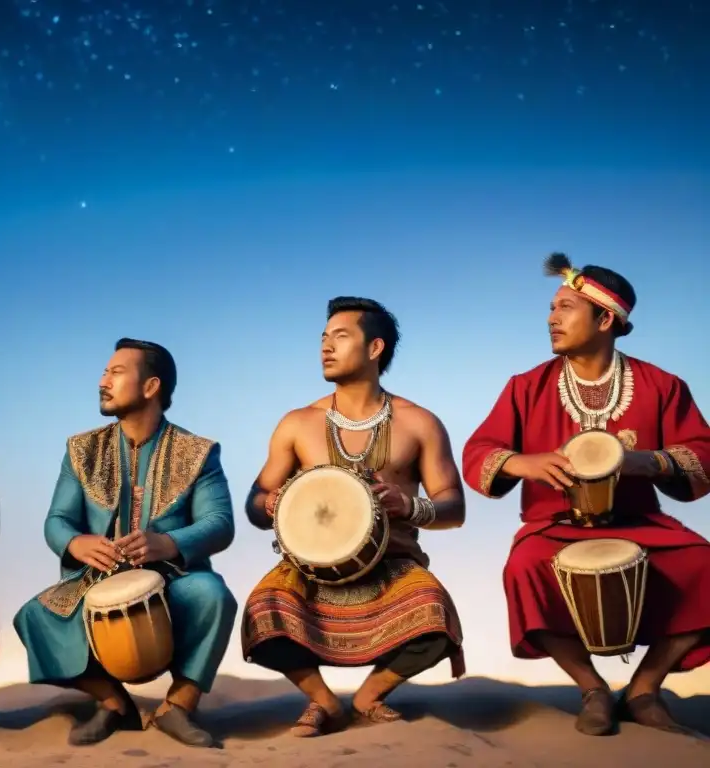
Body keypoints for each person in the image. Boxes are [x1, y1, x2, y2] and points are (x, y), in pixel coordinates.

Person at [462, 254, 710, 737]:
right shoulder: (525, 387)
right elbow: (479, 451)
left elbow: (702, 452)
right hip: (552, 525)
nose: (552, 318)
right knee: (523, 569)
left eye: (565, 307)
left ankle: (643, 690)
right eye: (552, 308)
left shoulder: (662, 385)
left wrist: (650, 460)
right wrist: (522, 462)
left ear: (605, 319)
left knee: (705, 566)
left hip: (641, 522)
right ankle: (592, 688)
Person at [240, 297, 466, 738]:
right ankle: (323, 702)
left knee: (436, 614)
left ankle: (370, 696)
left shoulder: (419, 422)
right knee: (261, 612)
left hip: (393, 566)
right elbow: (255, 499)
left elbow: (454, 507)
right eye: (323, 339)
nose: (326, 347)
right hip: (309, 571)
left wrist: (411, 506)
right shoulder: (298, 422)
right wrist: (269, 505)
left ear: (375, 347)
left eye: (340, 337)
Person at [14, 338, 237, 749]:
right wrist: (77, 542)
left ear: (151, 386)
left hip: (172, 577)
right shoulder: (81, 449)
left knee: (213, 595)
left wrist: (167, 543)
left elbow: (220, 523)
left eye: (115, 373)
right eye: (104, 372)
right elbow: (56, 520)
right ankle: (115, 703)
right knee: (33, 617)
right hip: (95, 578)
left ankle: (178, 707)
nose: (103, 381)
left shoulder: (199, 452)